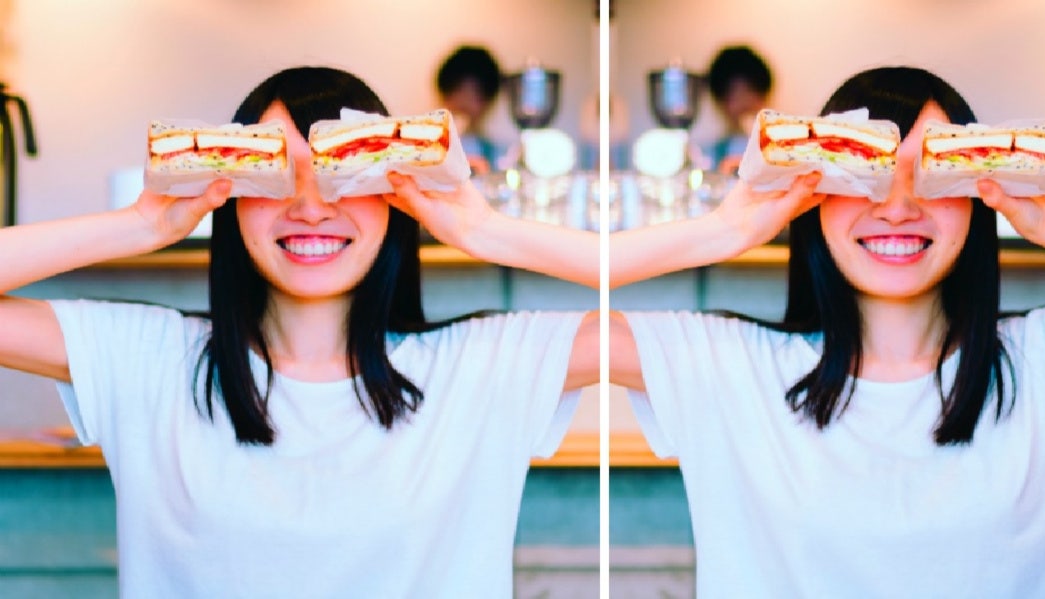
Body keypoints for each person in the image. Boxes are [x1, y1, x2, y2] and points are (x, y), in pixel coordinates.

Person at [0, 66, 601, 597]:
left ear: (397, 195)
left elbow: (671, 334)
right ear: (230, 192)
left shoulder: (481, 367)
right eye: (278, 174)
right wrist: (137, 226)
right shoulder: (148, 360)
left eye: (344, 175)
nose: (310, 205)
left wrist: (486, 232)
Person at [606, 66, 1045, 597]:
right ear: (811, 194)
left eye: (931, 174)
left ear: (977, 193)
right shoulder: (729, 368)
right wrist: (720, 233)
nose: (898, 206)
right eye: (866, 176)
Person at [704, 45, 773, 175]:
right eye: (736, 96)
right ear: (720, 102)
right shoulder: (707, 157)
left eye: (751, 92)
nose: (745, 103)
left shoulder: (778, 152)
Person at [436, 45, 504, 174]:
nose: (462, 101)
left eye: (473, 96)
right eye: (455, 91)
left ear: (487, 101)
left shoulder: (500, 156)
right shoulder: (432, 150)